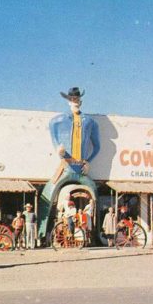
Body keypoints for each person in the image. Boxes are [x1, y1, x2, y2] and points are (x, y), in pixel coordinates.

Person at [38, 86, 100, 240]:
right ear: (68, 101)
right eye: (72, 99)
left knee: (95, 195)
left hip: (82, 168)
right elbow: (56, 143)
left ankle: (97, 234)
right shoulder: (57, 121)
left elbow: (97, 146)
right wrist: (59, 152)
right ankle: (40, 233)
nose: (75, 101)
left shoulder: (90, 122)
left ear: (81, 100)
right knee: (48, 192)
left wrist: (88, 161)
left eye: (77, 99)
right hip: (66, 166)